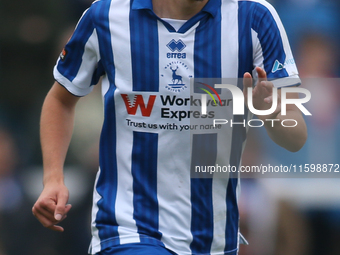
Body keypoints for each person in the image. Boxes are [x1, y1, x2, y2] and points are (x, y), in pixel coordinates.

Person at [32, 0, 307, 254]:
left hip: (214, 236)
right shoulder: (105, 16)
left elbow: (296, 137)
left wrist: (269, 110)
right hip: (127, 226)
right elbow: (61, 99)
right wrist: (53, 178)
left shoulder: (254, 18)